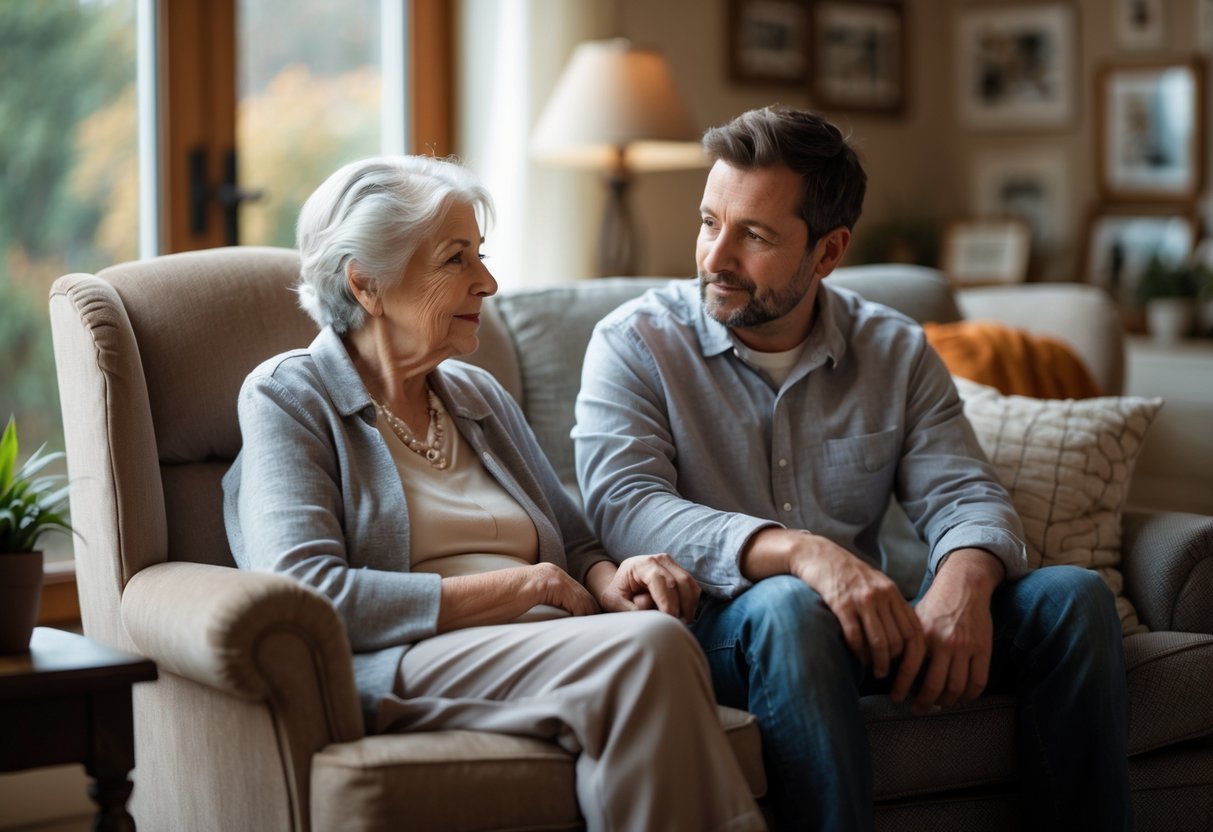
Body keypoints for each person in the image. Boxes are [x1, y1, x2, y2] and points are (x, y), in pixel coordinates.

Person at [573, 106, 1131, 831]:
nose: (714, 258)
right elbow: (624, 505)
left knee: (1073, 600)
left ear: (828, 252)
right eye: (710, 222)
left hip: (866, 629)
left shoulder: (894, 350)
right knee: (789, 605)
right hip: (722, 632)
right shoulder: (634, 343)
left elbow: (964, 490)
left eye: (754, 235)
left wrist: (963, 583)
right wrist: (803, 555)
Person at [222, 155, 764, 832]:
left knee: (651, 645)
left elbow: (575, 544)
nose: (489, 282)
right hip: (404, 659)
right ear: (365, 283)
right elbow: (307, 593)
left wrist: (610, 577)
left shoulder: (475, 395)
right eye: (456, 260)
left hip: (546, 645)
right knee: (649, 649)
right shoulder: (289, 395)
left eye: (481, 255)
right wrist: (523, 589)